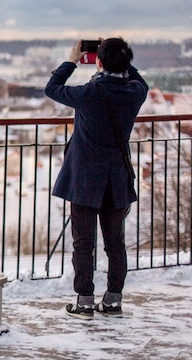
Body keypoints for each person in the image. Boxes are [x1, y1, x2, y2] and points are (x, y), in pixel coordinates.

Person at [45, 37, 148, 319]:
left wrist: (72, 59)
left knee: (83, 243)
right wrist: (121, 57)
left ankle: (85, 300)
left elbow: (52, 88)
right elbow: (138, 79)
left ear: (98, 62)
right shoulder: (135, 92)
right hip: (116, 178)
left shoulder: (89, 93)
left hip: (84, 179)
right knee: (115, 243)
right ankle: (113, 299)